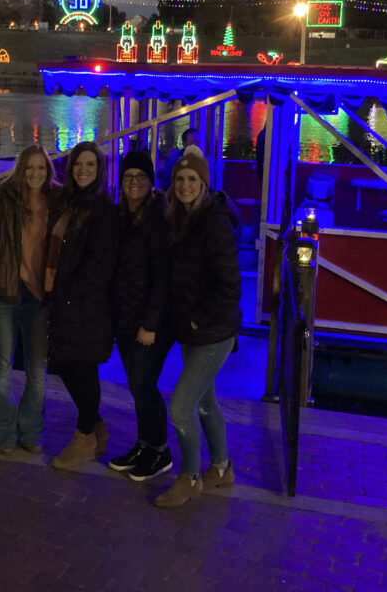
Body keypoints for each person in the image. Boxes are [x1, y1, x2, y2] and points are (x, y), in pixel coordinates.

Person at [156, 145, 241, 508]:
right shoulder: (179, 219)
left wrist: (197, 317)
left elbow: (230, 286)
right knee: (205, 403)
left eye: (192, 179)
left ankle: (190, 477)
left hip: (212, 331)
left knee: (180, 408)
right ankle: (221, 469)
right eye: (179, 179)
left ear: (204, 184)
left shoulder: (214, 224)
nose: (185, 185)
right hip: (193, 330)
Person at [45, 141, 118, 469]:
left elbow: (101, 262)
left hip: (85, 305)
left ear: (99, 169)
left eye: (90, 164)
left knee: (83, 370)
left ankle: (84, 437)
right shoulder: (69, 202)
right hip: (65, 301)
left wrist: (68, 290)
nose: (83, 170)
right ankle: (97, 428)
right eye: (78, 164)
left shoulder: (102, 207)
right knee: (66, 366)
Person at [0, 144, 59, 456]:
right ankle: (3, 433)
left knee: (36, 372)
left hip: (40, 295)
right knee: (1, 368)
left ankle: (30, 432)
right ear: (20, 169)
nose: (34, 174)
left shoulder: (56, 200)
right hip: (7, 291)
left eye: (40, 168)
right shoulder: (4, 197)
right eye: (29, 168)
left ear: (48, 171)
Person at [108, 150, 173, 482]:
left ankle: (160, 450)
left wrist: (150, 324)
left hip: (148, 322)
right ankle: (144, 443)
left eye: (140, 177)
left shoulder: (156, 219)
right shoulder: (121, 216)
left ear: (150, 181)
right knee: (137, 385)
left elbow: (162, 277)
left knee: (144, 384)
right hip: (124, 316)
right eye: (128, 177)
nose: (133, 183)